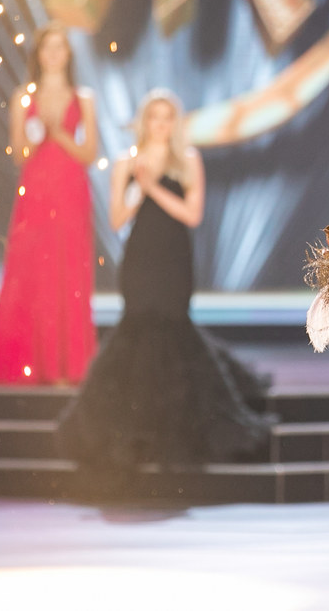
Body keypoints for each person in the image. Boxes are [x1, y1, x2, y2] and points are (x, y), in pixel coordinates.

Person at [56, 90, 274, 474]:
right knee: (137, 330)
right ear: (145, 122)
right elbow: (117, 218)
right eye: (154, 117)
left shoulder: (188, 160)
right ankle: (130, 434)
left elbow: (192, 214)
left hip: (174, 257)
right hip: (141, 257)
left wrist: (154, 185)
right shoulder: (127, 161)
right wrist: (140, 184)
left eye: (166, 117)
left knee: (173, 328)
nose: (160, 124)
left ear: (174, 124)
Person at [0, 22, 98, 385]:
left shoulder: (84, 98)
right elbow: (19, 152)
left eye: (59, 47)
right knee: (31, 270)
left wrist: (59, 132)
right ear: (39, 54)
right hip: (35, 191)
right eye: (47, 47)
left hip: (70, 190)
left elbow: (89, 153)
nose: (53, 54)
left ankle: (68, 366)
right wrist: (40, 133)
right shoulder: (24, 96)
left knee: (68, 271)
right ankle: (26, 365)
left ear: (68, 54)